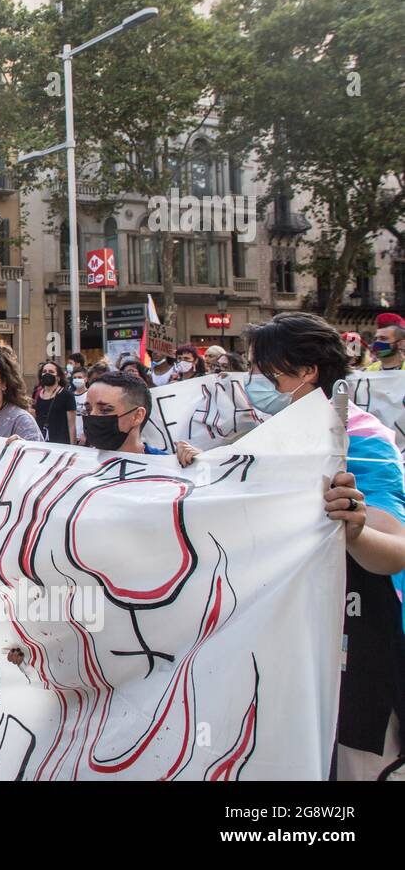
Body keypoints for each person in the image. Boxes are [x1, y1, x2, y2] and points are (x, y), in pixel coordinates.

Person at [173, 312, 405, 779]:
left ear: (306, 372)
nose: (253, 381)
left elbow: (395, 548)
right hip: (289, 642)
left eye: (264, 370)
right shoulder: (271, 439)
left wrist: (356, 530)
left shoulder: (360, 439)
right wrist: (206, 469)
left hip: (361, 646)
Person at [80, 371, 165, 455]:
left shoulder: (166, 465)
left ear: (137, 416)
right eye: (88, 410)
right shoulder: (77, 464)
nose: (92, 416)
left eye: (105, 410)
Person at [32, 361, 77, 445]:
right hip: (42, 443)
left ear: (58, 377)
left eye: (51, 372)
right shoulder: (38, 393)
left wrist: (73, 447)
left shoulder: (67, 395)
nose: (47, 374)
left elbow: (71, 425)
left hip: (61, 443)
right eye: (44, 372)